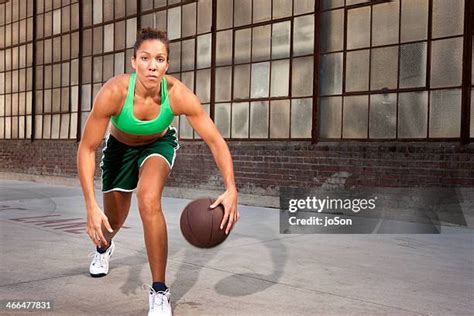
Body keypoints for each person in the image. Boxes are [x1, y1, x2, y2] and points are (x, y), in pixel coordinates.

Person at [76, 28, 239, 316]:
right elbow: (87, 149)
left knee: (149, 199)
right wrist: (90, 206)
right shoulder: (114, 93)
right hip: (119, 149)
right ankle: (104, 249)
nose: (152, 65)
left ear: (167, 64)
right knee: (113, 218)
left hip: (158, 145)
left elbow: (215, 140)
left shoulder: (178, 95)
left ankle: (160, 290)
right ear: (133, 62)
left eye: (160, 59)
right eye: (145, 58)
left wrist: (231, 187)